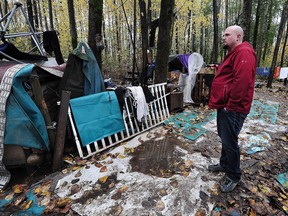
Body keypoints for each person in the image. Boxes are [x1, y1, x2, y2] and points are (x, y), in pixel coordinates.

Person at [208, 25, 257, 193]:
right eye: (223, 34)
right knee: (225, 137)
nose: (224, 37)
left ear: (238, 37)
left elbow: (242, 82)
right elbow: (231, 74)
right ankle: (224, 164)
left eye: (227, 34)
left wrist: (231, 106)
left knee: (230, 142)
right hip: (226, 105)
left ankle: (234, 175)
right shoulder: (235, 53)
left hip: (234, 108)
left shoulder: (243, 52)